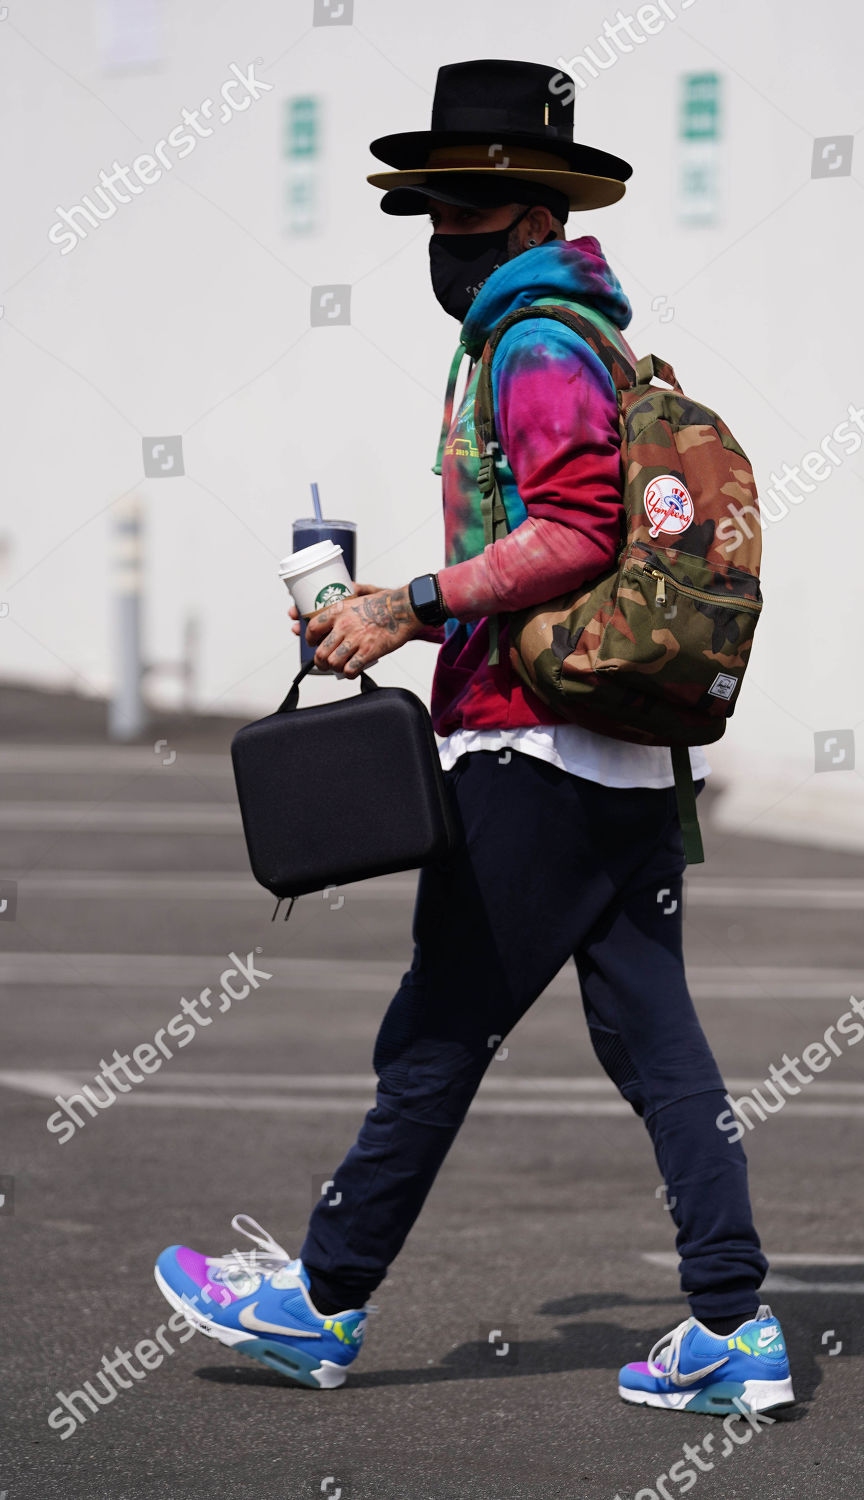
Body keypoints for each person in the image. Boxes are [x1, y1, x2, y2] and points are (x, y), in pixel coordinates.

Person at [154, 58, 794, 1417]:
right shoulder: (580, 335)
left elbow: (569, 534)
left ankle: (320, 1303)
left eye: (451, 206)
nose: (434, 233)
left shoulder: (538, 342)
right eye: (428, 205)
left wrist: (412, 604)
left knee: (437, 1033)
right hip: (613, 762)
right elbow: (572, 547)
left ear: (518, 212)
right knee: (656, 1044)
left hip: (535, 759)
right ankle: (733, 1328)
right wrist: (403, 616)